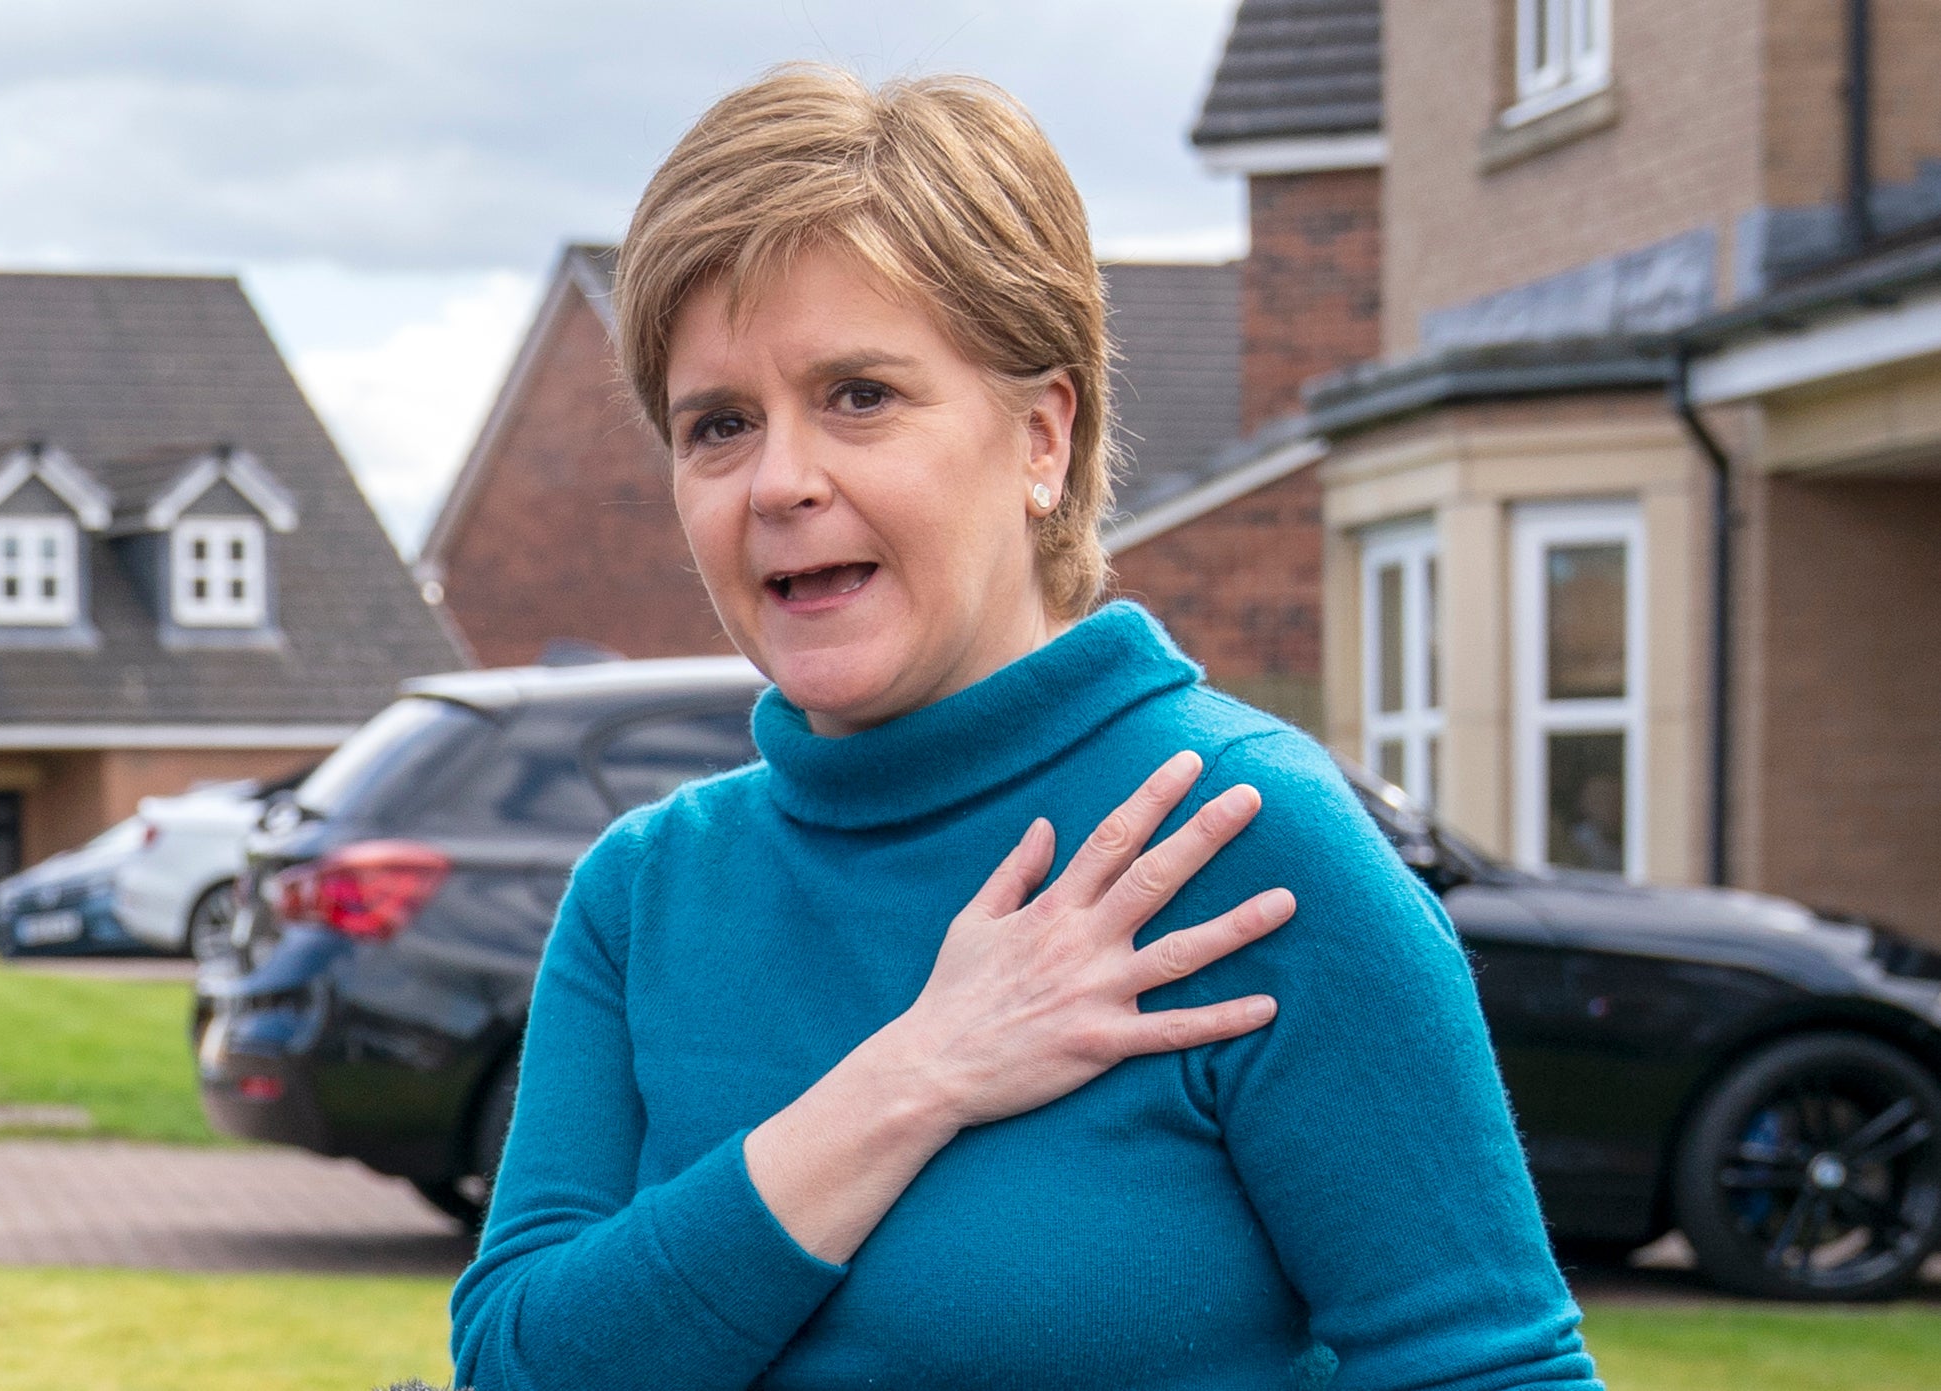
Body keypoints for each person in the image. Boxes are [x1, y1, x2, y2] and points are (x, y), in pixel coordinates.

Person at [450, 66, 1601, 1391]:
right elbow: (514, 1368)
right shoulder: (645, 894)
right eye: (719, 425)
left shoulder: (1233, 840)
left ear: (1040, 437)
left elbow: (1489, 1370)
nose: (778, 481)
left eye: (859, 396)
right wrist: (912, 1078)